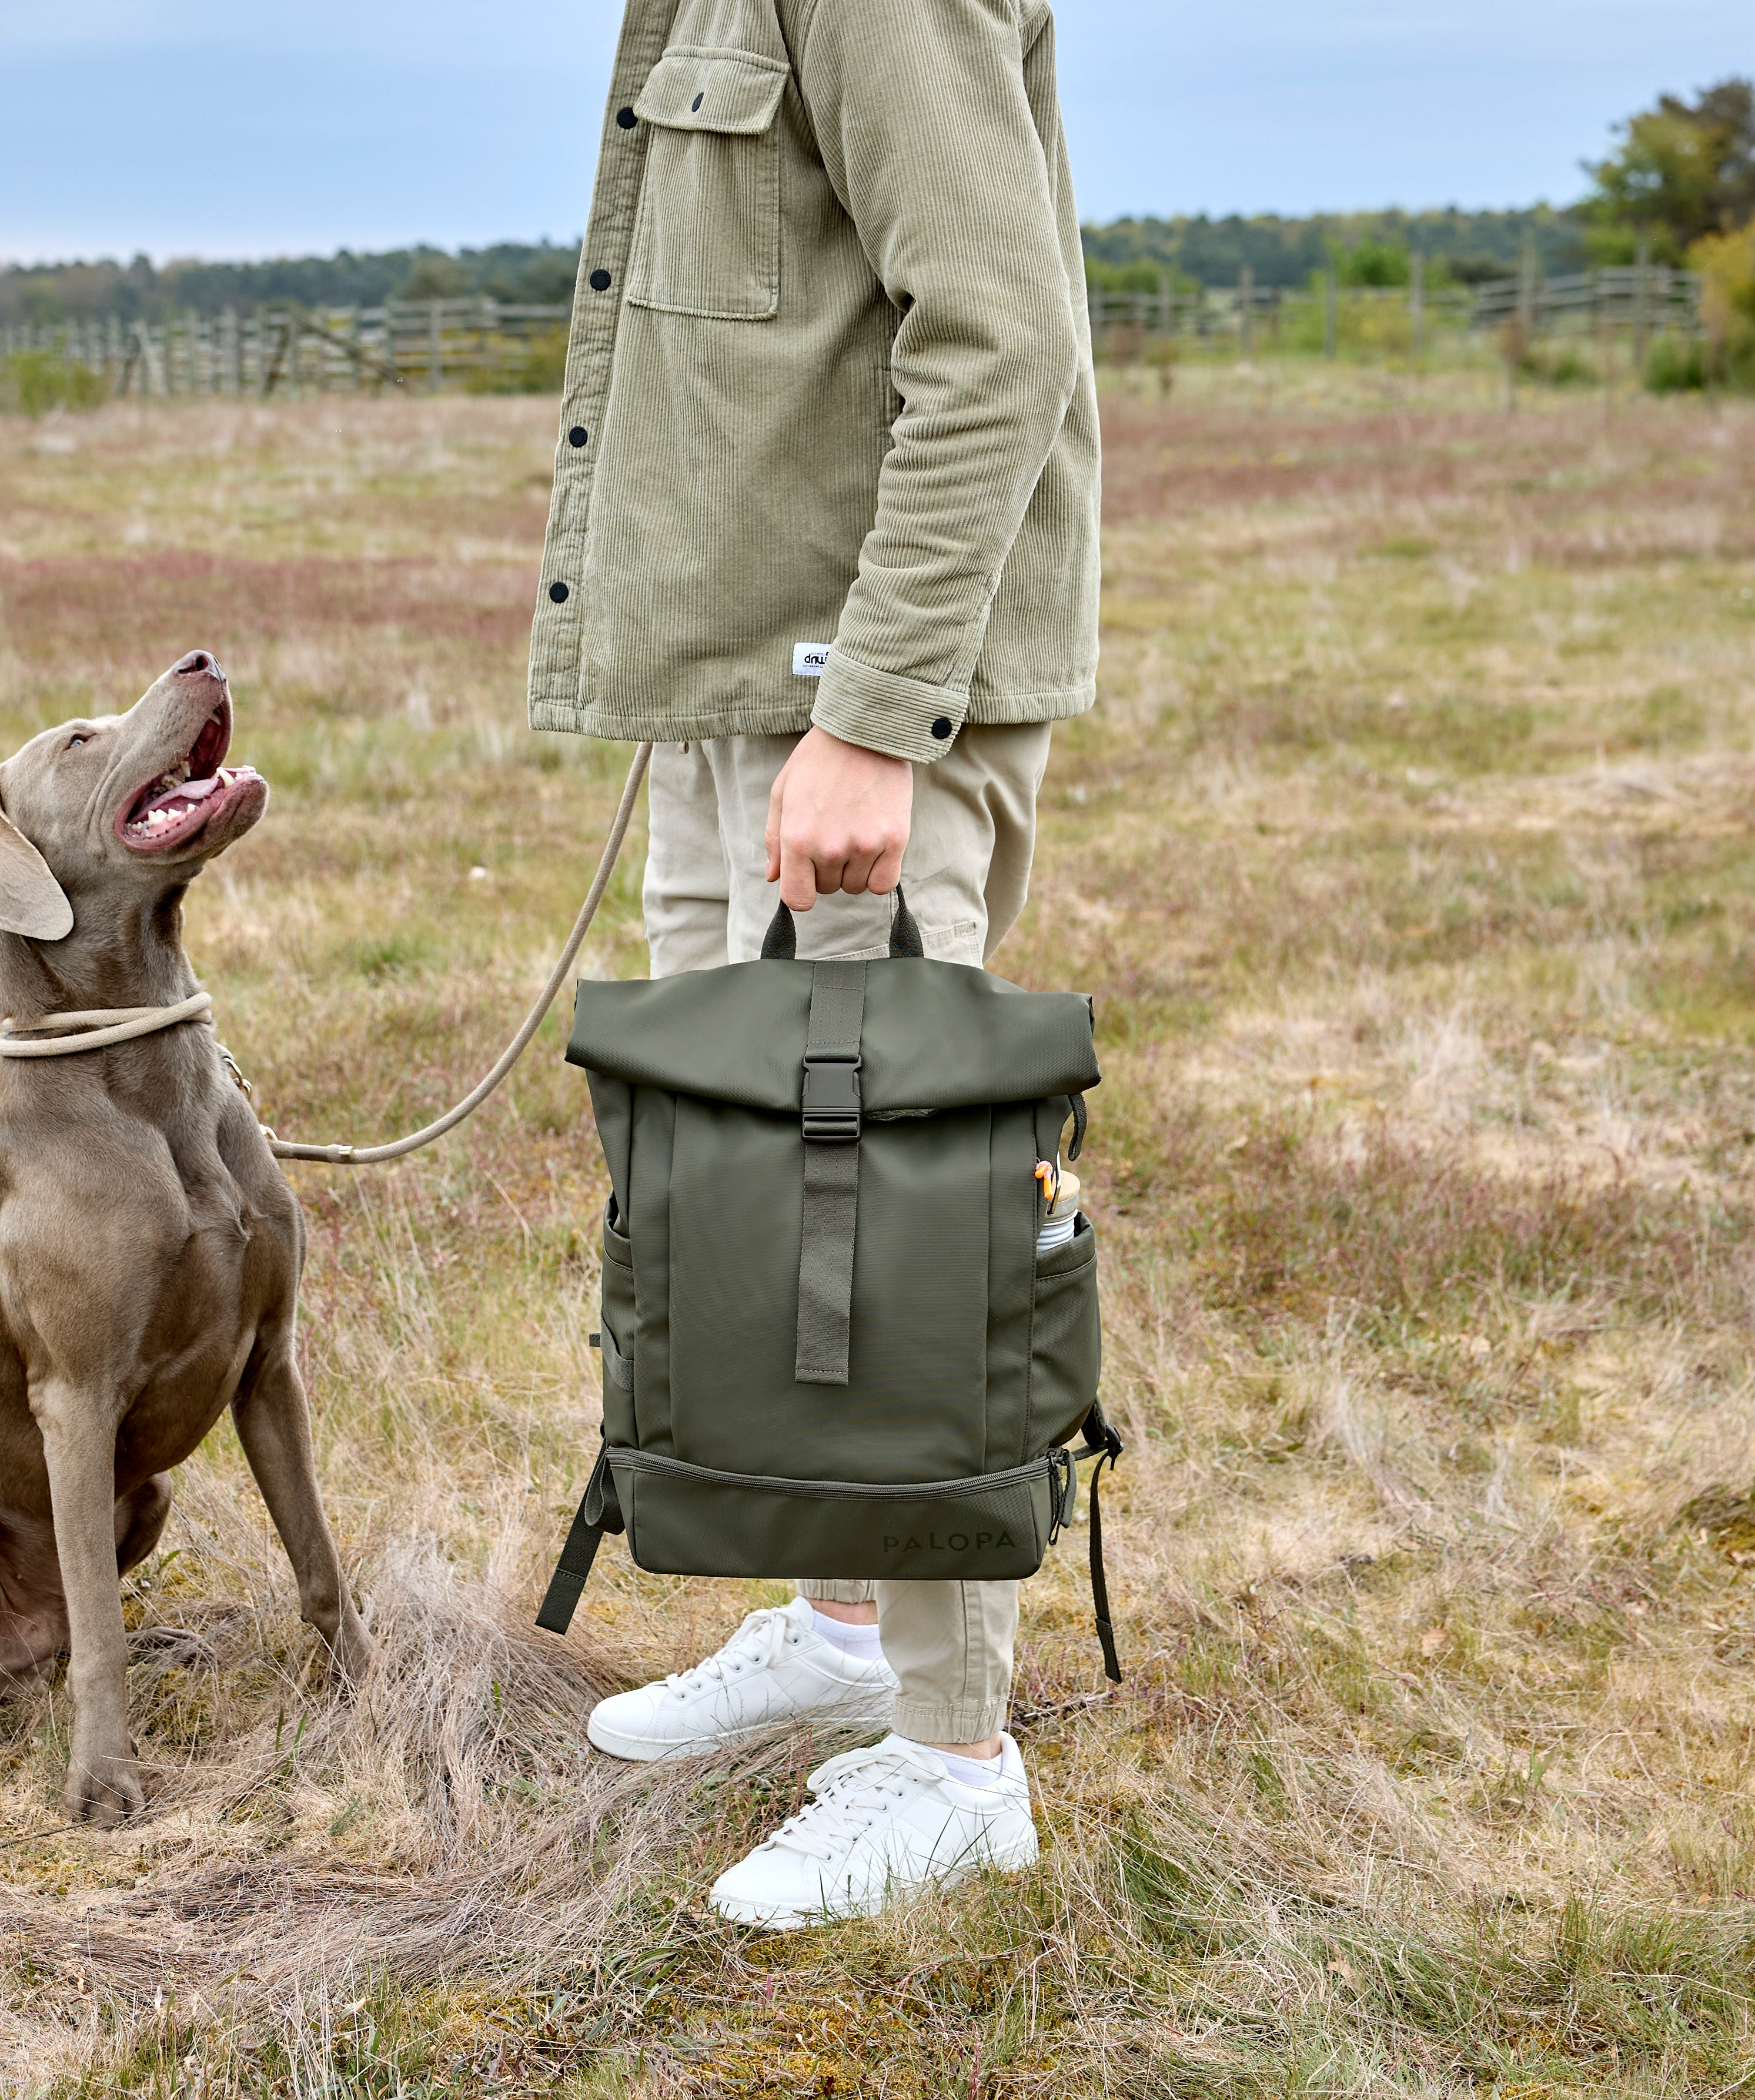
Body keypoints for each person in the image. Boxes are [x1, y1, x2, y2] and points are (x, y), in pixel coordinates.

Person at [524, 0, 1101, 1926]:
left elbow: (996, 327)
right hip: (749, 704)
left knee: (905, 1236)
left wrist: (872, 716)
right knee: (782, 1218)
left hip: (856, 719)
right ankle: (848, 1629)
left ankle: (955, 1760)